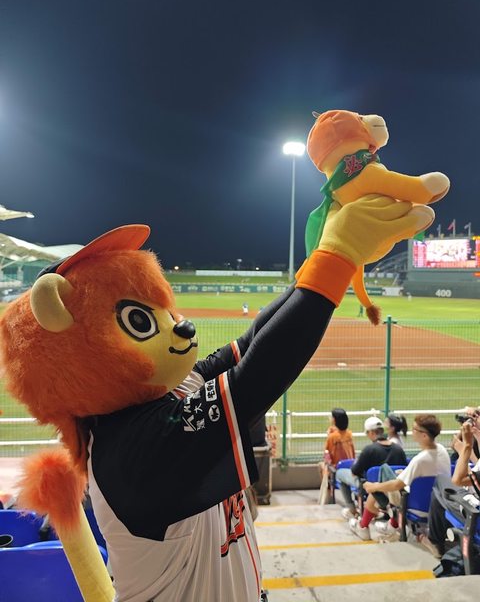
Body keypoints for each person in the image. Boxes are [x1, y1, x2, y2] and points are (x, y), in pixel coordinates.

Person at [0, 195, 431, 602]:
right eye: (140, 319)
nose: (180, 325)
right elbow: (256, 378)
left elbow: (250, 344)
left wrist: (324, 258)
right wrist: (337, 259)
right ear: (77, 354)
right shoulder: (130, 449)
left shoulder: (165, 392)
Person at [359, 414, 451, 541]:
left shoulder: (420, 460)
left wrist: (373, 487)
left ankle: (368, 525)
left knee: (382, 474)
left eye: (415, 429)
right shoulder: (442, 450)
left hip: (415, 506)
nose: (411, 431)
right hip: (438, 504)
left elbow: (397, 485)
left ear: (424, 435)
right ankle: (390, 524)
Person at [424, 417, 480, 559]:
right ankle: (435, 539)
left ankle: (435, 541)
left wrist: (466, 448)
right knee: (439, 492)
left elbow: (458, 480)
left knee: (441, 482)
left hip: (474, 514)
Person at [336, 415, 407, 521]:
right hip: (393, 488)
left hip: (369, 486)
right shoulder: (398, 449)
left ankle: (352, 509)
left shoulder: (369, 450)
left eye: (367, 433)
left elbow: (354, 471)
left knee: (340, 473)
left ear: (372, 433)